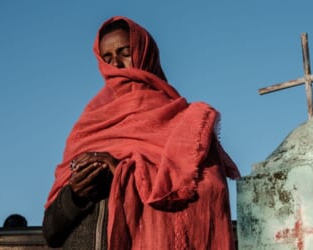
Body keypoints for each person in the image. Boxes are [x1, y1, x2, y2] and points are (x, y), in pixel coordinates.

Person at [42, 16, 240, 250]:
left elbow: (211, 194)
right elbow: (51, 232)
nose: (115, 64)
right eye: (107, 58)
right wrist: (75, 195)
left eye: (124, 52)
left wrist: (125, 175)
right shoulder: (87, 126)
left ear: (145, 53)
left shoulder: (186, 124)